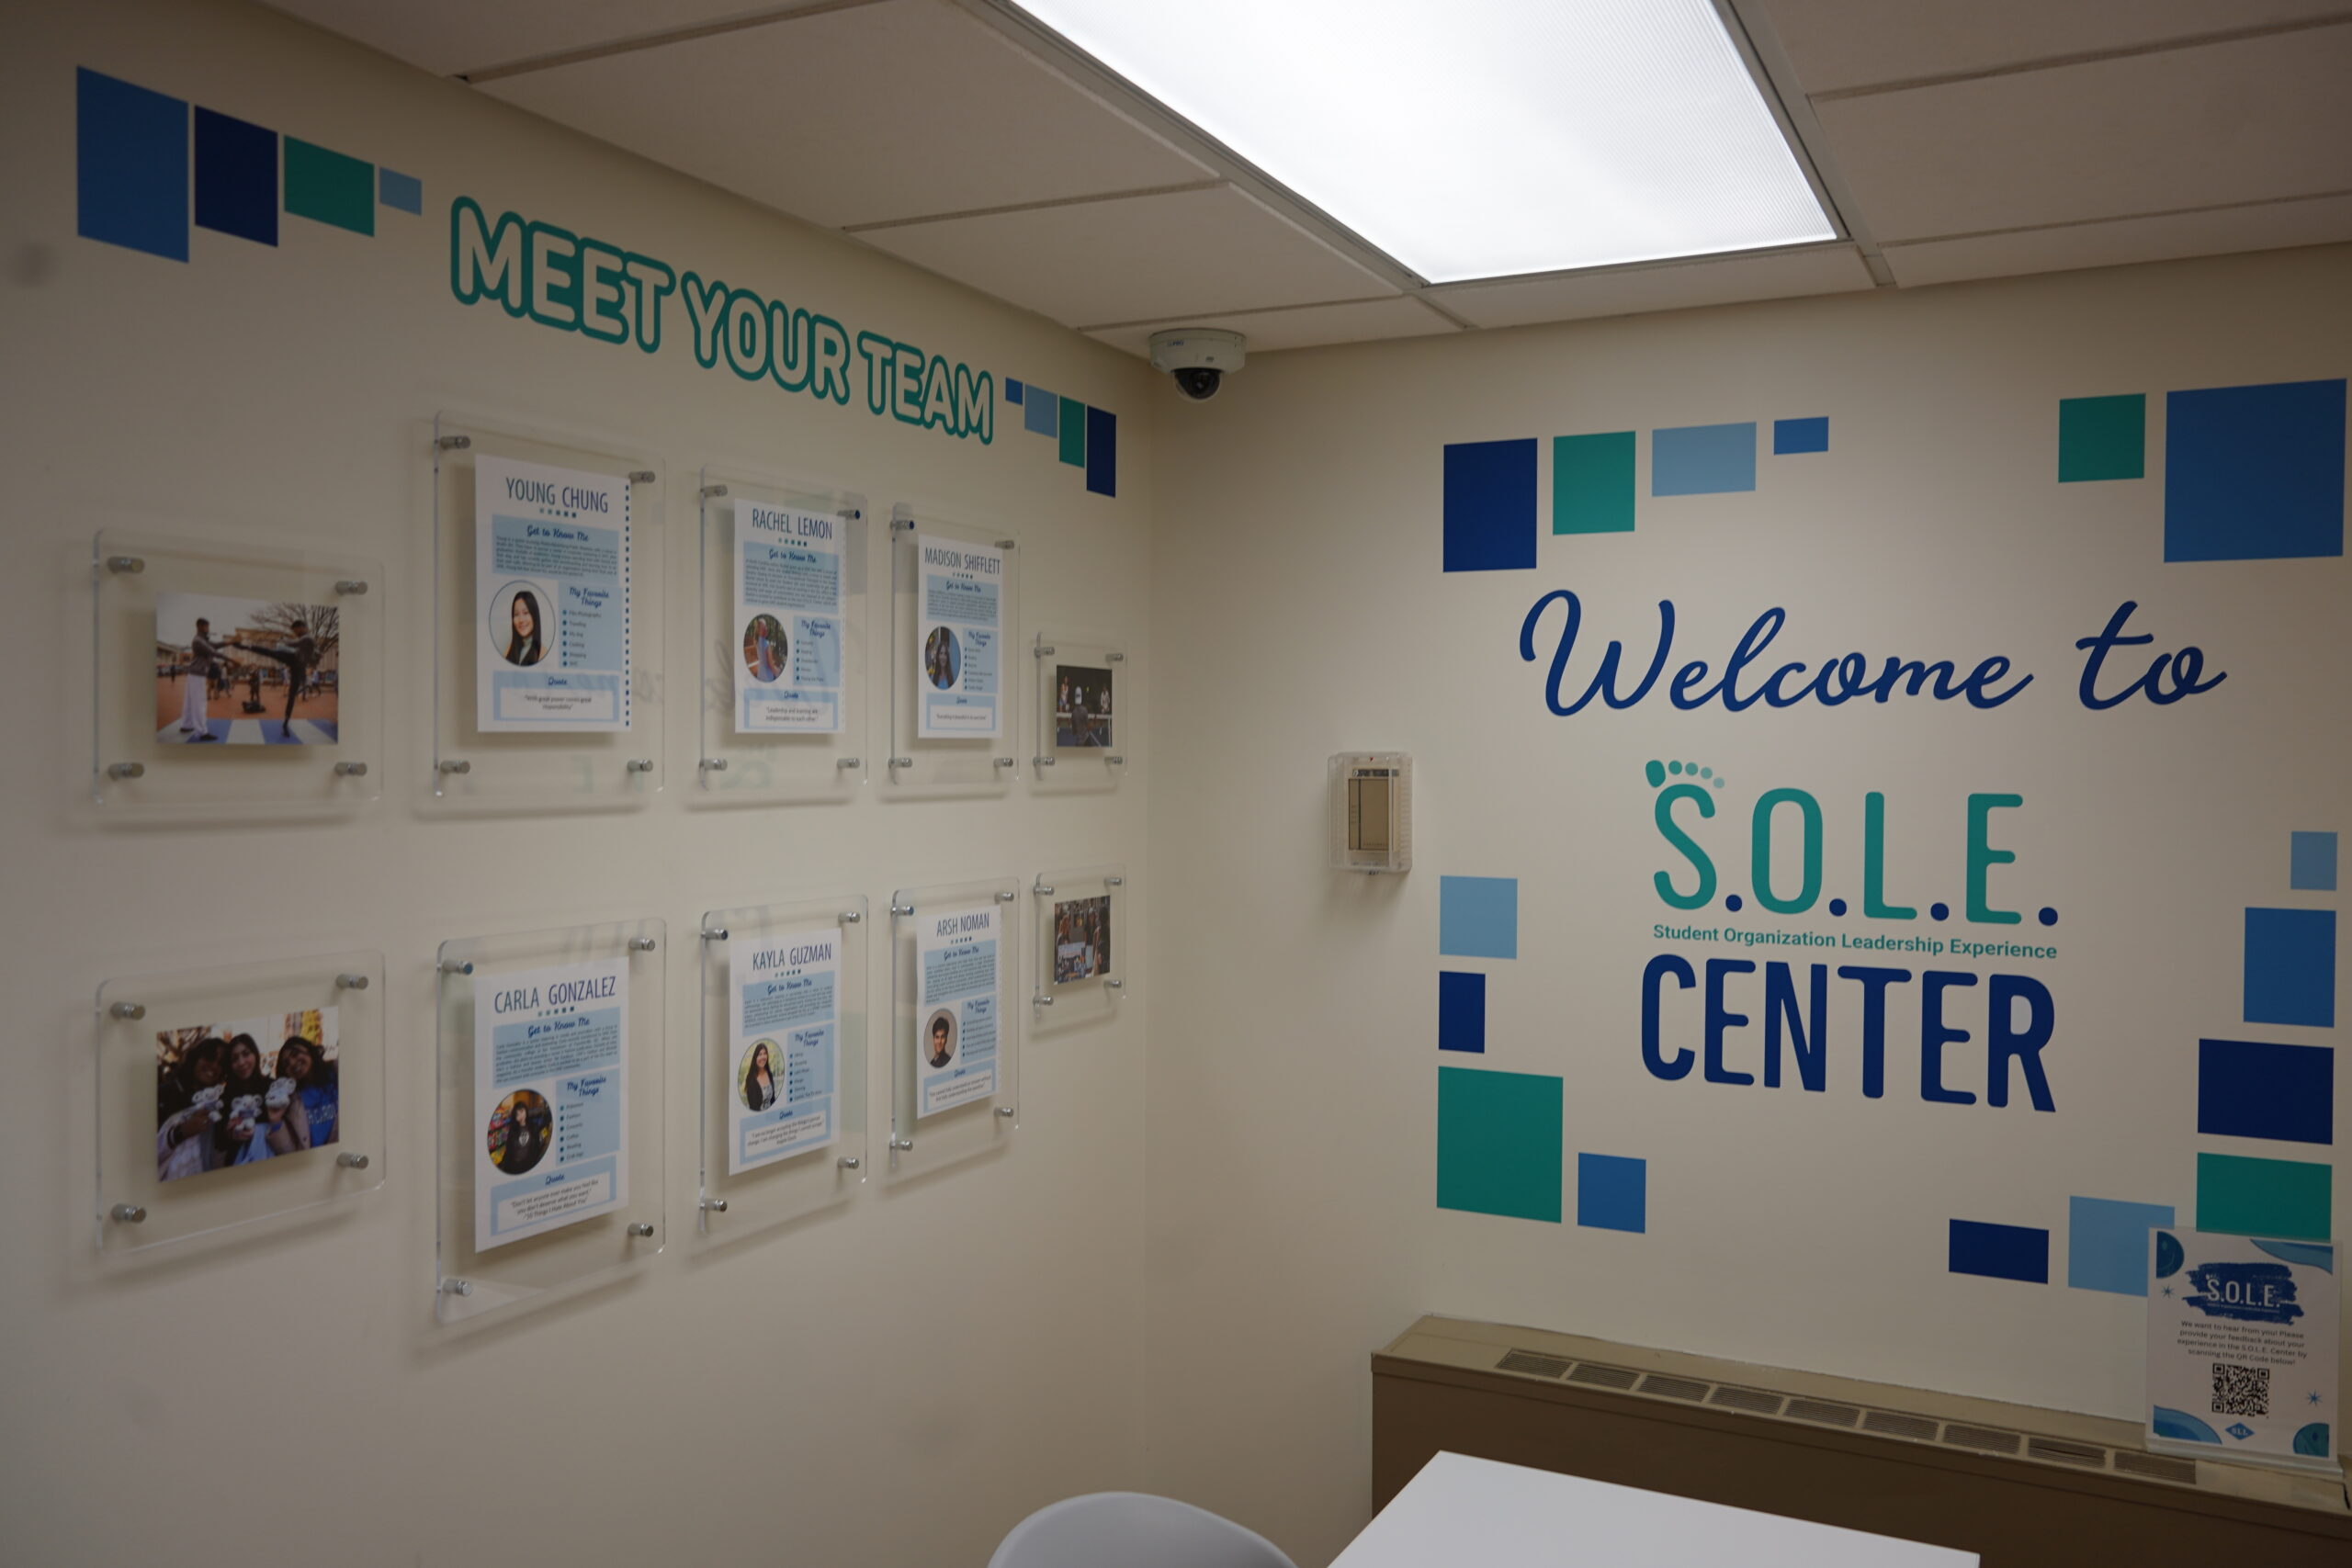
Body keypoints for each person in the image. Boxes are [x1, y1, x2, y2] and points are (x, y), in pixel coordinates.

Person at [230, 619, 320, 739]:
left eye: (296, 631)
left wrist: (283, 640)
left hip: (298, 665)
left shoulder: (308, 638)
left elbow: (294, 644)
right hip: (293, 659)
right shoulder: (306, 639)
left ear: (302, 627)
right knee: (269, 652)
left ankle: (286, 722)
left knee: (292, 695)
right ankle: (244, 647)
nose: (295, 633)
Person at [155, 1036, 229, 1181]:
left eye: (221, 1063)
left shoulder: (218, 1105)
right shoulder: (163, 1095)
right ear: (195, 1058)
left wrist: (224, 1137)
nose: (214, 1066)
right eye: (209, 1057)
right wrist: (180, 1132)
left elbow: (217, 1161)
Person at [214, 1033, 277, 1165]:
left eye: (246, 1054)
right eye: (234, 1059)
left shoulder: (272, 1087)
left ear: (255, 1054)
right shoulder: (225, 1096)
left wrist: (263, 1129)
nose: (241, 1062)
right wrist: (229, 1134)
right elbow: (218, 1142)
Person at [274, 1035, 335, 1150]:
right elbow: (290, 1152)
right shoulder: (290, 1102)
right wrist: (275, 1121)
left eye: (295, 1054)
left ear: (308, 1049)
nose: (292, 1063)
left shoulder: (337, 1075)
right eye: (286, 1064)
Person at [178, 616, 227, 738]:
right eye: (206, 626)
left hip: (193, 674)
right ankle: (202, 731)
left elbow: (215, 645)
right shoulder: (198, 641)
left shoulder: (202, 640)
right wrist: (231, 660)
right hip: (197, 675)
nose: (208, 629)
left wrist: (231, 642)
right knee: (200, 703)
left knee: (189, 702)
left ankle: (186, 725)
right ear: (200, 626)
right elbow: (213, 651)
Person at [497, 1098, 546, 1174]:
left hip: (529, 1165)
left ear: (526, 1110)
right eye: (517, 1114)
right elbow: (509, 1149)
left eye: (522, 1111)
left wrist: (535, 1162)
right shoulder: (513, 1130)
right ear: (515, 1117)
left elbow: (537, 1146)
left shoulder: (534, 1127)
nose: (521, 1116)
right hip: (515, 1166)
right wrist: (503, 1165)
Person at [503, 590, 545, 666]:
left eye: (526, 613)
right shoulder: (509, 648)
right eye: (516, 614)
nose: (521, 620)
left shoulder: (542, 653)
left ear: (534, 615)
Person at [742, 1042, 777, 1110]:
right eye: (760, 1054)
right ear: (755, 1057)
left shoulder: (769, 1074)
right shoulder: (750, 1078)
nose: (763, 1057)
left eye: (765, 1053)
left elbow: (773, 1099)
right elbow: (753, 1106)